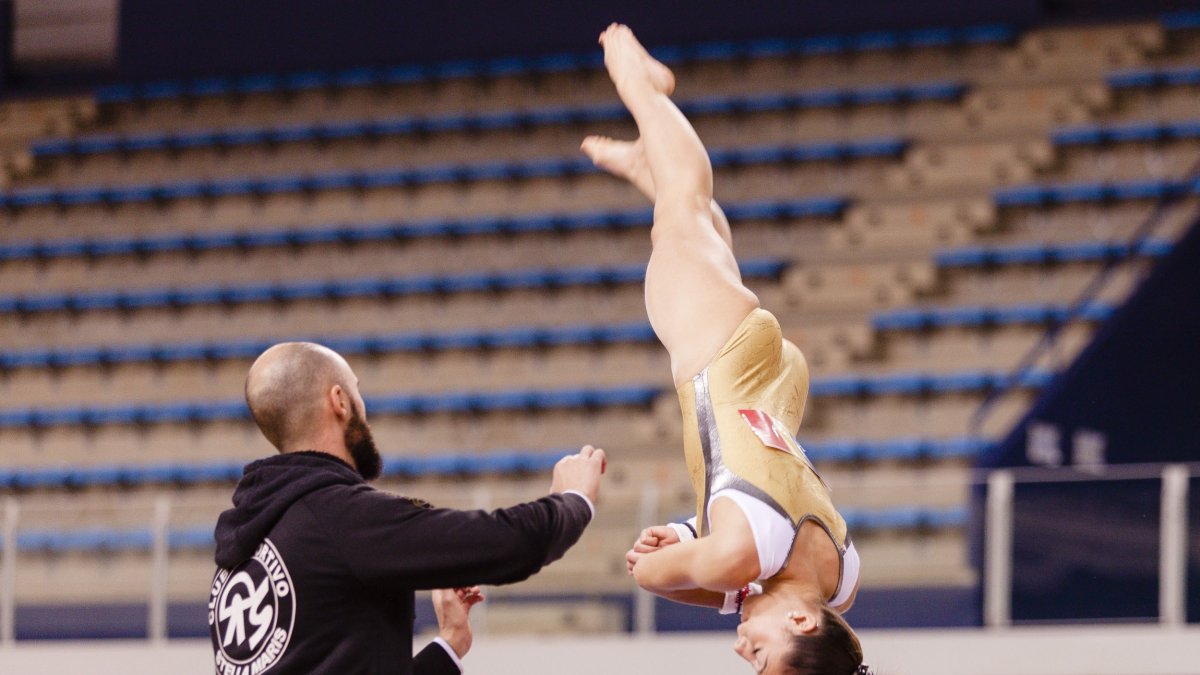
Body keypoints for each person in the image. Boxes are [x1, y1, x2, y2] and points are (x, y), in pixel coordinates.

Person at [581, 24, 869, 675]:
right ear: (801, 622)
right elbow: (649, 571)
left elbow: (751, 527)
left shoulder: (842, 582)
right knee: (685, 209)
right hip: (724, 369)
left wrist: (690, 533)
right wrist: (679, 546)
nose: (741, 649)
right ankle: (643, 88)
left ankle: (645, 164)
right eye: (760, 657)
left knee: (706, 246)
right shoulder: (740, 557)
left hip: (777, 396)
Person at [208, 341, 606, 674]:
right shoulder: (342, 517)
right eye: (357, 390)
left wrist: (451, 645)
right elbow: (506, 544)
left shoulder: (241, 550)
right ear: (340, 401)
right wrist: (572, 501)